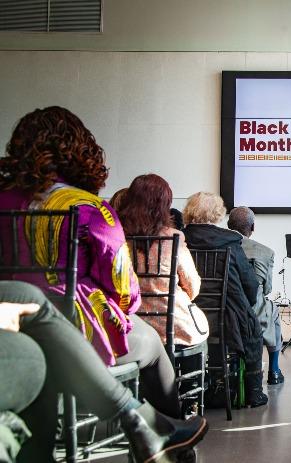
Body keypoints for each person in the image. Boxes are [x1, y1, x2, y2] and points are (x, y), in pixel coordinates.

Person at [0, 106, 180, 418]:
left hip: (9, 327)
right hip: (78, 327)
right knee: (151, 343)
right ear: (79, 150)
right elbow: (123, 288)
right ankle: (172, 434)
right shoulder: (89, 207)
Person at [0, 280, 207, 462]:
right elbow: (124, 290)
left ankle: (144, 424)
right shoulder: (96, 233)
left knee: (31, 300)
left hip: (48, 312)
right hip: (85, 312)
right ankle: (160, 436)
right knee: (152, 344)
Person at [183, 192, 268, 407]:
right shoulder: (230, 241)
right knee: (253, 331)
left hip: (188, 316)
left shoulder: (180, 239)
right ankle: (253, 393)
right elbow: (250, 284)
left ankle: (193, 388)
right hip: (227, 318)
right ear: (218, 214)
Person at [118, 174, 209, 348]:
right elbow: (193, 287)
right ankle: (185, 375)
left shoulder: (118, 236)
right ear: (164, 205)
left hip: (131, 325)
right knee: (201, 339)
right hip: (172, 327)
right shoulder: (173, 238)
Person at [228, 206, 285, 385]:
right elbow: (267, 289)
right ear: (252, 228)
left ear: (229, 225)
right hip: (255, 313)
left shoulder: (221, 247)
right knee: (273, 310)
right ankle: (274, 371)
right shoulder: (266, 252)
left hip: (226, 312)